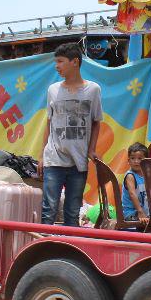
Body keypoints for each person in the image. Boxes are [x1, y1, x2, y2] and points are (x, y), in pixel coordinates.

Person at [39, 42, 102, 226]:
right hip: (54, 159)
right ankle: (45, 248)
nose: (56, 66)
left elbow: (96, 121)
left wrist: (91, 149)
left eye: (60, 61)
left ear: (75, 62)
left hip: (79, 162)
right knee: (49, 209)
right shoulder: (53, 90)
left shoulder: (93, 90)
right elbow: (49, 123)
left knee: (72, 211)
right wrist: (42, 155)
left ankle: (69, 250)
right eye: (55, 62)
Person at [121, 142, 149, 224]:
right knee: (147, 225)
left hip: (143, 212)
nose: (136, 161)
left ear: (146, 161)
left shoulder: (146, 176)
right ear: (128, 161)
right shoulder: (130, 176)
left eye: (140, 158)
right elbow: (132, 194)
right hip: (131, 213)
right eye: (133, 158)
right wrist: (140, 212)